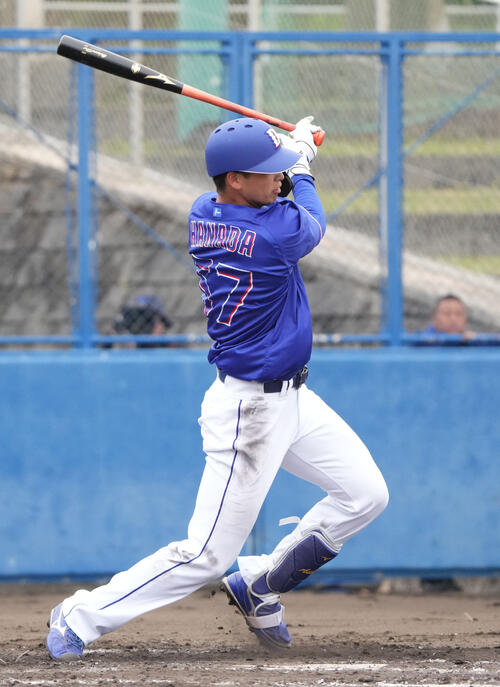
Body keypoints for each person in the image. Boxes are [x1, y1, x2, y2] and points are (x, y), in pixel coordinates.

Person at [46, 116, 389, 659]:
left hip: (294, 400)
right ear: (234, 179)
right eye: (267, 172)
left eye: (279, 172)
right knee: (205, 553)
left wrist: (283, 153)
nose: (277, 179)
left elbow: (272, 197)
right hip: (250, 411)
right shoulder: (274, 233)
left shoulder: (204, 211)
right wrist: (302, 163)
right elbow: (311, 222)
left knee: (365, 494)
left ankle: (260, 583)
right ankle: (80, 615)